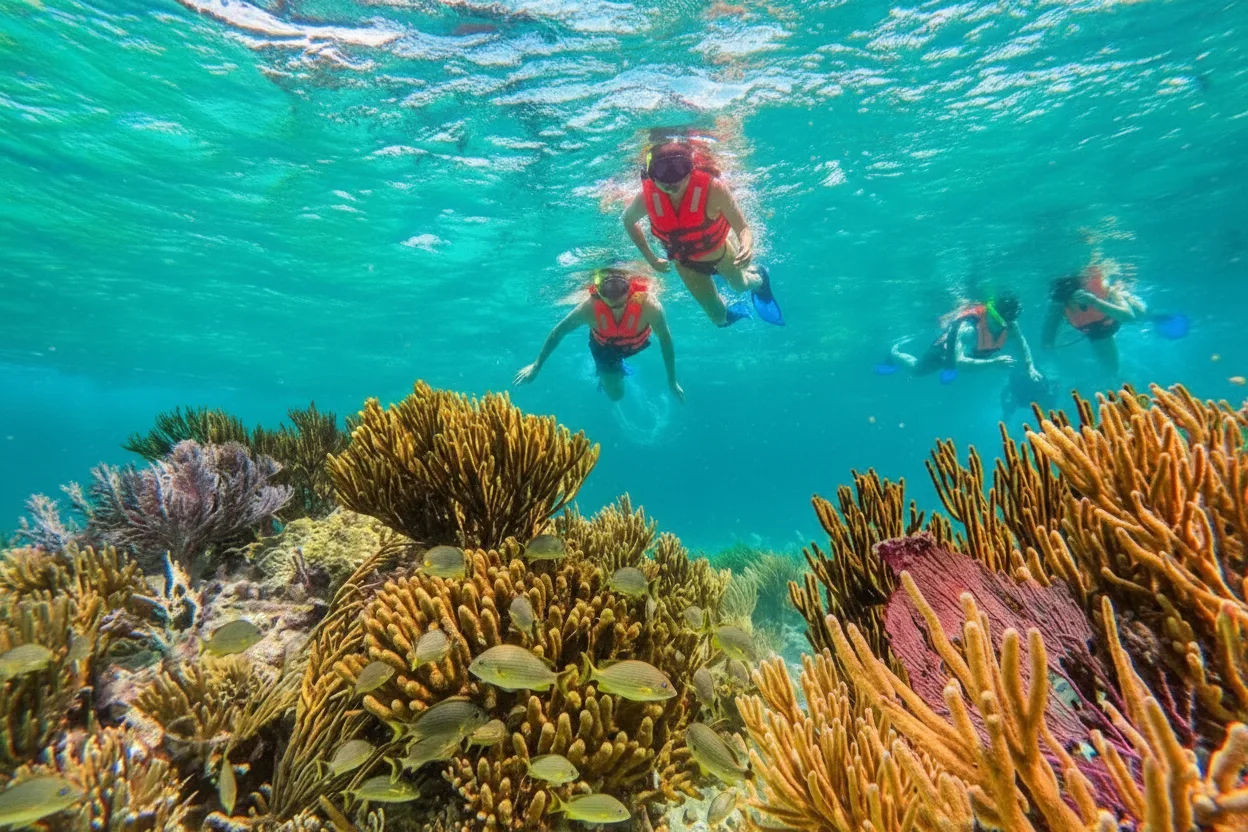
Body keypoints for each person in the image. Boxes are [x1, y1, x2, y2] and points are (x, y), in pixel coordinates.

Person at [621, 140, 783, 328]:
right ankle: (736, 312)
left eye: (680, 169)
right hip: (685, 265)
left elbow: (743, 228)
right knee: (719, 319)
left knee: (741, 285)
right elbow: (627, 221)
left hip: (721, 255)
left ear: (691, 169)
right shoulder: (646, 198)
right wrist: (651, 258)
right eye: (662, 172)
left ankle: (760, 278)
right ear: (651, 174)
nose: (672, 181)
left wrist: (746, 245)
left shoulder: (714, 189)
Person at [514, 268, 683, 402]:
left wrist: (672, 381)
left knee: (617, 390)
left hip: (634, 346)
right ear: (598, 291)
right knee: (616, 395)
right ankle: (611, 370)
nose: (614, 298)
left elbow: (666, 341)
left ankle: (618, 366)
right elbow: (558, 332)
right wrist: (536, 366)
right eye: (608, 290)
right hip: (603, 348)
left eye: (620, 288)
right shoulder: (588, 308)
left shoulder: (649, 305)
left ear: (630, 286)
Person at [887, 292, 1043, 382]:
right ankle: (894, 353)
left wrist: (1030, 367)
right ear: (990, 312)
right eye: (998, 320)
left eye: (1006, 322)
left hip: (975, 355)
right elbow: (960, 363)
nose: (1002, 326)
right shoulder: (968, 327)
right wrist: (993, 362)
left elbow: (1022, 343)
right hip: (943, 352)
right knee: (917, 371)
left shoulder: (1009, 323)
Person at [1042, 259, 1146, 374]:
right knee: (1112, 370)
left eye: (1074, 299)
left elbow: (1129, 317)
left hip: (1112, 315)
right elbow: (1048, 336)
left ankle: (1127, 296)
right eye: (1068, 301)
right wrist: (1052, 355)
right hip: (1099, 332)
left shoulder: (1103, 290)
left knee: (1141, 312)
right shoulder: (1058, 304)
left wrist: (1095, 302)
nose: (1072, 303)